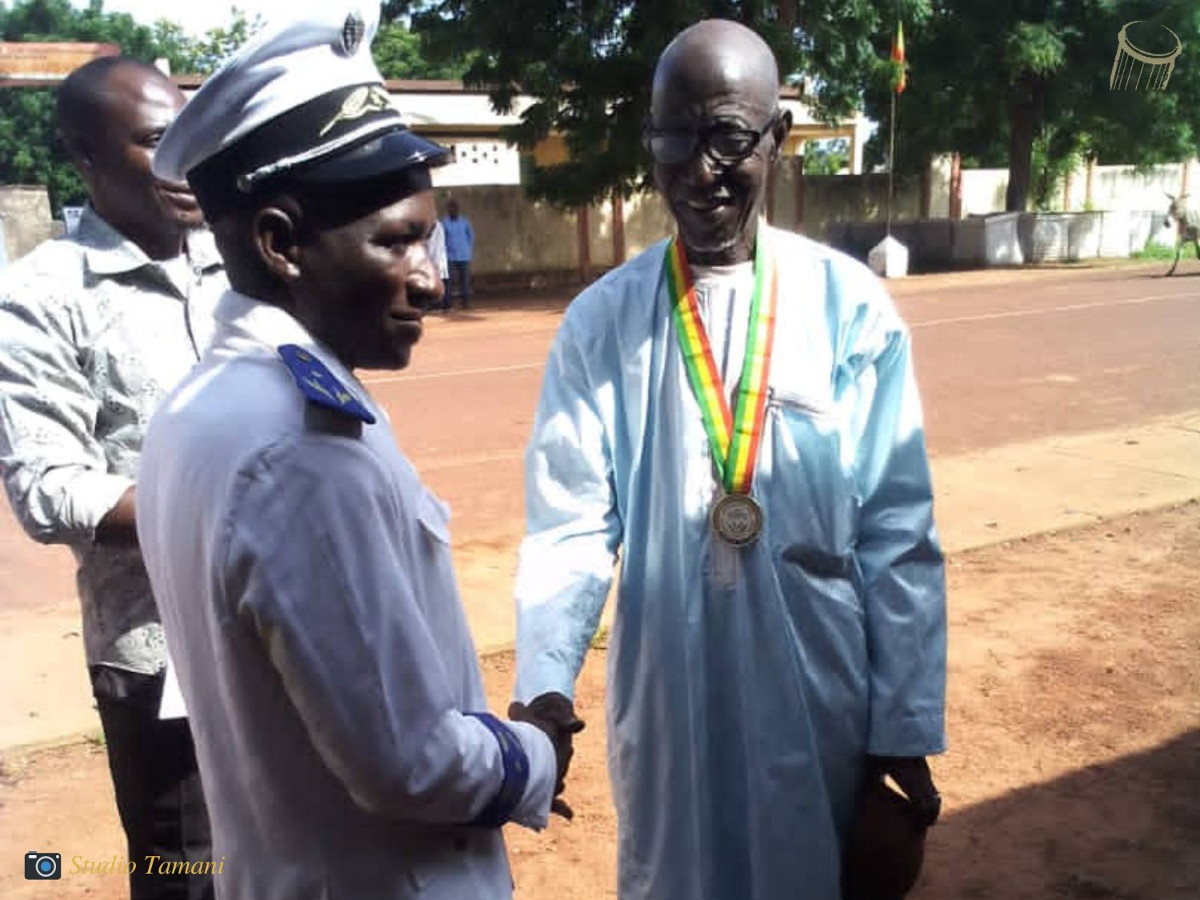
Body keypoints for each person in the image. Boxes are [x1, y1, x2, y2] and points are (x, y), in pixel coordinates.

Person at [135, 7, 566, 898]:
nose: (431, 277)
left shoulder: (202, 405)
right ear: (280, 244)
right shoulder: (300, 444)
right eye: (398, 239)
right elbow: (407, 762)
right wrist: (535, 753)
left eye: (430, 235)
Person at [513, 19, 947, 900]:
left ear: (777, 142)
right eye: (674, 138)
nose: (699, 169)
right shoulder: (603, 325)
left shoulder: (849, 309)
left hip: (818, 689)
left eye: (729, 139)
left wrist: (901, 718)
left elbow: (897, 531)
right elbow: (569, 524)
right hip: (669, 692)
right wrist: (546, 686)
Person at [0, 55, 224, 899]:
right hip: (163, 663)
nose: (183, 162)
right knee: (188, 878)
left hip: (278, 633)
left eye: (190, 139)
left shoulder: (238, 266)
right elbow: (50, 487)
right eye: (156, 143)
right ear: (86, 160)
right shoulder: (42, 297)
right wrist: (215, 510)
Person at [441, 197, 474, 308]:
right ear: (447, 210)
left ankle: (466, 303)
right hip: (450, 256)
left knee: (465, 281)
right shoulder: (444, 223)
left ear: (458, 209)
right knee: (448, 281)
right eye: (451, 208)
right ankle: (447, 304)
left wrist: (468, 248)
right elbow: (442, 238)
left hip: (464, 256)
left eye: (455, 208)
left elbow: (470, 236)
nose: (453, 210)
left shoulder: (465, 222)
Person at [428, 216, 450, 308]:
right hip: (433, 258)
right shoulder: (431, 227)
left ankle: (445, 304)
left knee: (442, 281)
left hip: (438, 258)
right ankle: (438, 304)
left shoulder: (438, 226)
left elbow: (436, 246)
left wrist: (434, 261)